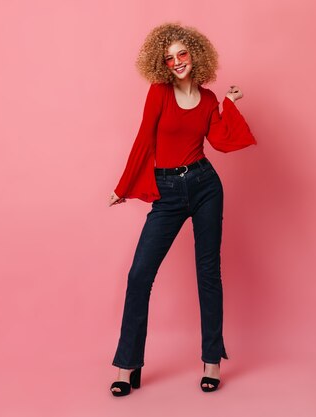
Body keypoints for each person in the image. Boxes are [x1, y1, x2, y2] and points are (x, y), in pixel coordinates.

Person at [108, 22, 257, 396]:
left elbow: (222, 140)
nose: (177, 62)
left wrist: (230, 104)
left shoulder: (207, 100)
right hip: (168, 192)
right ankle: (128, 365)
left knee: (208, 274)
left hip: (206, 186)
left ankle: (211, 363)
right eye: (170, 57)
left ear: (195, 54)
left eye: (183, 54)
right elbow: (144, 139)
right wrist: (123, 186)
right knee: (139, 275)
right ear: (162, 62)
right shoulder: (158, 93)